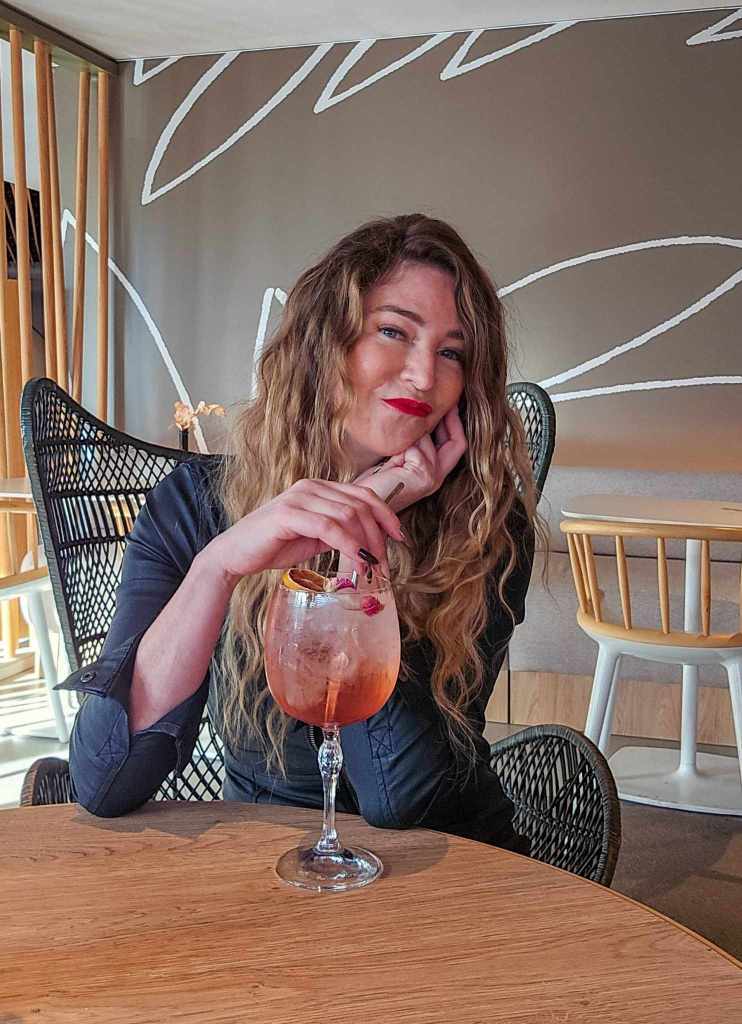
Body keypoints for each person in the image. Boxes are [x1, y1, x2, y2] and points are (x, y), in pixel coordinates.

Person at [61, 213, 537, 851]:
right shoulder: (196, 507)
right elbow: (105, 778)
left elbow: (402, 795)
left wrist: (362, 527)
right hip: (268, 855)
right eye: (393, 331)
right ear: (324, 341)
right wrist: (217, 568)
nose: (425, 376)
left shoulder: (482, 524)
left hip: (449, 860)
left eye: (451, 352)